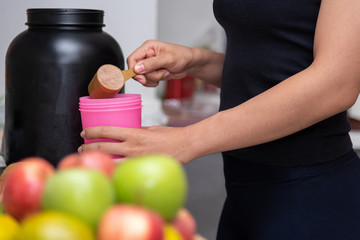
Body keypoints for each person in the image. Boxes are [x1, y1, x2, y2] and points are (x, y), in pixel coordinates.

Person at [78, 0, 360, 239]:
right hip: (243, 188)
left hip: (314, 194)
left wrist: (186, 140)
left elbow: (336, 83)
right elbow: (275, 64)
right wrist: (196, 60)